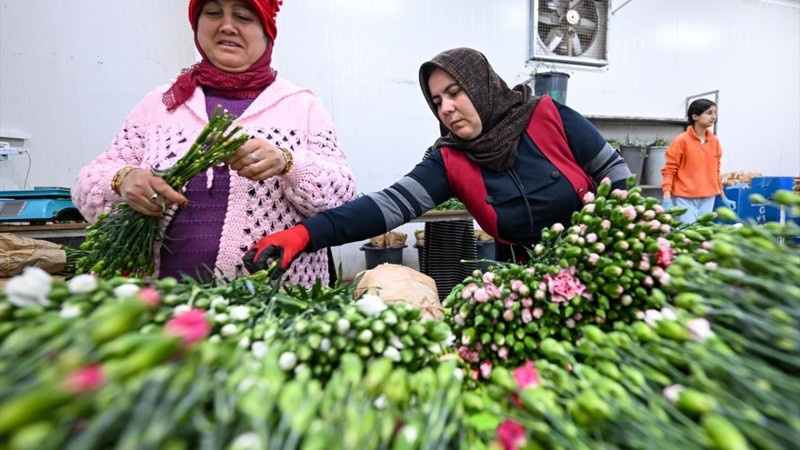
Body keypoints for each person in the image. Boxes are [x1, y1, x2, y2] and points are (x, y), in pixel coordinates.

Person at [242, 47, 631, 276]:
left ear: (481, 86)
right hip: (531, 280)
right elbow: (388, 206)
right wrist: (305, 235)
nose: (446, 108)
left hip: (605, 262)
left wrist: (611, 235)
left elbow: (614, 171)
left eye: (455, 92)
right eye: (437, 101)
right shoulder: (450, 159)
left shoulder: (549, 117)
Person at [72, 0, 355, 286]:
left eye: (243, 17)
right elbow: (88, 183)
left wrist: (288, 163)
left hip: (270, 299)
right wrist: (123, 180)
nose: (227, 26)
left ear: (267, 32)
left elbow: (342, 197)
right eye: (213, 13)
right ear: (196, 25)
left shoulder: (301, 107)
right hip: (156, 298)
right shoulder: (162, 103)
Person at [661, 99, 735, 223]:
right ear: (695, 116)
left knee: (702, 232)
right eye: (709, 112)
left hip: (708, 198)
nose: (713, 116)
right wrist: (667, 197)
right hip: (685, 198)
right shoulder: (681, 141)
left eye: (715, 112)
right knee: (688, 232)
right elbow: (669, 171)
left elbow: (716, 172)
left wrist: (723, 197)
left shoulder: (714, 141)